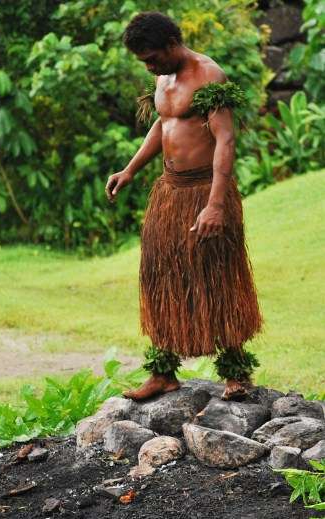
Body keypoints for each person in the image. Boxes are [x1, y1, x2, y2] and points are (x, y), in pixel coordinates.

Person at [106, 12, 262, 401]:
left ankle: (236, 372)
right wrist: (129, 169)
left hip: (205, 191)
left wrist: (215, 206)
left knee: (218, 278)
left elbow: (225, 141)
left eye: (153, 57)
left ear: (173, 44)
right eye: (144, 60)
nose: (149, 65)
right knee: (162, 277)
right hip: (169, 194)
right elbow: (162, 124)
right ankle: (163, 372)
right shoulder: (163, 77)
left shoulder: (209, 75)